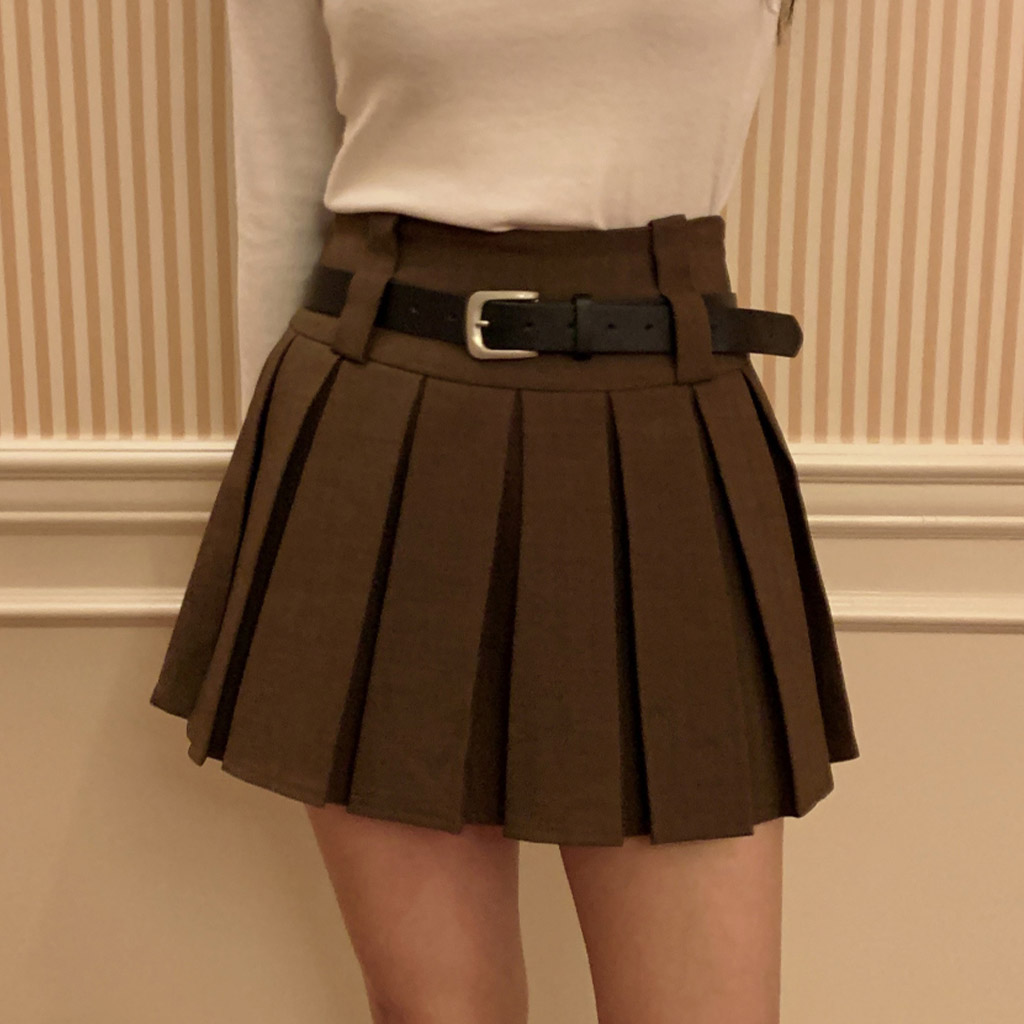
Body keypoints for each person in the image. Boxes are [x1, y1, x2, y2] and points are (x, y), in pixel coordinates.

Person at [150, 2, 860, 1021]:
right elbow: (280, 190)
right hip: (378, 426)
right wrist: (284, 496)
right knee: (439, 1013)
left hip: (664, 430)